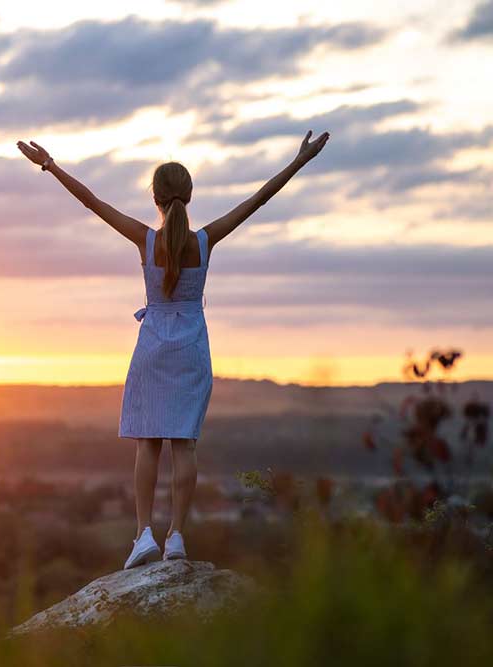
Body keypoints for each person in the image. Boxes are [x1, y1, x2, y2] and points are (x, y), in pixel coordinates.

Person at [16, 130, 330, 567]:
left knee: (148, 445)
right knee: (185, 445)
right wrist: (299, 162)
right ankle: (176, 536)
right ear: (190, 195)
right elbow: (257, 201)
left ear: (156, 199)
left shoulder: (145, 240)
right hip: (192, 348)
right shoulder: (204, 241)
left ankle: (143, 534)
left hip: (153, 346)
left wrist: (50, 166)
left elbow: (92, 202)